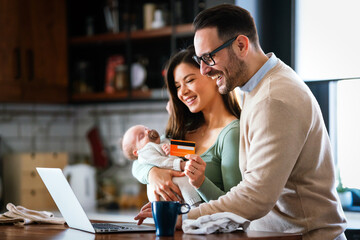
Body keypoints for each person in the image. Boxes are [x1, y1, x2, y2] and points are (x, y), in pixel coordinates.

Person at [135, 4, 347, 240]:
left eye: (208, 57)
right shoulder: (258, 87)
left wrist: (183, 218)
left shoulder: (272, 98)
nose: (204, 70)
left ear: (241, 45)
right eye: (199, 59)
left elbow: (255, 196)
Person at [131, 45, 242, 204]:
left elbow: (236, 205)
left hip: (205, 227)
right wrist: (152, 173)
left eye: (189, 80)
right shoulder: (185, 130)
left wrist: (200, 182)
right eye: (177, 87)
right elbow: (140, 160)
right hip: (175, 227)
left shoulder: (231, 134)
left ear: (213, 75)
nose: (182, 93)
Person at [122, 124, 202, 207]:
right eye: (141, 136)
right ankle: (195, 206)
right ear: (136, 152)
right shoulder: (145, 152)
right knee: (184, 180)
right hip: (162, 190)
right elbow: (162, 162)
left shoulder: (164, 141)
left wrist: (173, 148)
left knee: (185, 183)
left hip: (173, 183)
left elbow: (191, 149)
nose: (148, 131)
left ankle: (194, 208)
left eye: (146, 128)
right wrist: (181, 165)